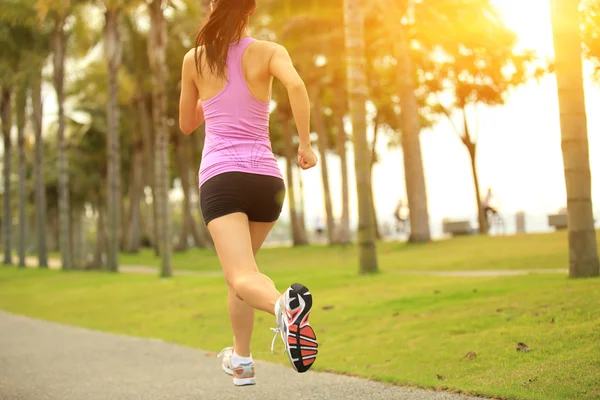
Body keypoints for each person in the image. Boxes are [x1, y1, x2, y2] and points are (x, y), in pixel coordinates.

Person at [178, 0, 319, 386]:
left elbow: (187, 123)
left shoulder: (195, 59)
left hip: (223, 178)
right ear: (250, 11)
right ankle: (241, 360)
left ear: (211, 8)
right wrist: (305, 146)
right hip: (267, 182)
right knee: (240, 274)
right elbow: (296, 85)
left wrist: (212, 102)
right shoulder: (271, 52)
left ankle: (283, 306)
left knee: (240, 274)